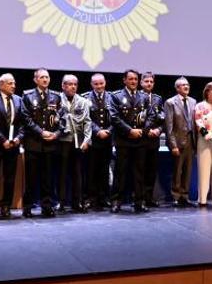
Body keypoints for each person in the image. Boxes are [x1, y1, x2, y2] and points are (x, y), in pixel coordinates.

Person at [109, 69, 151, 213]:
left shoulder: (144, 97)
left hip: (140, 140)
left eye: (135, 79)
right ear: (124, 80)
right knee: (120, 172)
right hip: (123, 141)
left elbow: (151, 116)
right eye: (131, 79)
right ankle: (116, 201)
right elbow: (114, 117)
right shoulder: (116, 96)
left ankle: (139, 201)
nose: (133, 81)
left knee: (139, 173)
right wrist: (129, 131)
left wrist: (142, 131)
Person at [0, 74, 26, 219]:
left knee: (10, 178)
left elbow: (22, 123)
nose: (13, 85)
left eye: (14, 83)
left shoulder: (19, 100)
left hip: (13, 145)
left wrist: (18, 138)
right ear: (0, 84)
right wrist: (3, 140)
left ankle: (6, 205)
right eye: (10, 83)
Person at [21, 68, 61, 218]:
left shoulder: (56, 97)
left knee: (48, 178)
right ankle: (28, 206)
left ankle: (47, 206)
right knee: (31, 178)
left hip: (50, 143)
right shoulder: (28, 96)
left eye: (47, 77)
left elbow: (62, 119)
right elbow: (26, 118)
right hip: (34, 143)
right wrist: (40, 132)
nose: (45, 80)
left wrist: (56, 134)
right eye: (42, 77)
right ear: (35, 79)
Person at [57, 75, 91, 213]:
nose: (72, 87)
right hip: (62, 141)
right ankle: (61, 202)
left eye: (75, 84)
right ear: (63, 86)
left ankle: (77, 202)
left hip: (78, 141)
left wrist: (87, 140)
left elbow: (87, 121)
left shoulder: (83, 101)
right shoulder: (57, 99)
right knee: (61, 173)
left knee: (77, 173)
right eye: (69, 84)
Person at [83, 73, 113, 211]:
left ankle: (104, 198)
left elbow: (116, 117)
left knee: (105, 170)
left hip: (107, 139)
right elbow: (86, 118)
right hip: (92, 140)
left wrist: (108, 130)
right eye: (96, 84)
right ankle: (90, 198)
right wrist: (97, 131)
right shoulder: (85, 98)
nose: (99, 86)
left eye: (101, 83)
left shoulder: (112, 97)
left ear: (105, 83)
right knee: (91, 170)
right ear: (91, 84)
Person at [164, 77, 196, 207]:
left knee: (188, 170)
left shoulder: (193, 101)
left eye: (187, 85)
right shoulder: (170, 102)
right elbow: (169, 126)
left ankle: (185, 195)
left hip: (190, 140)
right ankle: (176, 196)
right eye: (183, 85)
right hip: (177, 141)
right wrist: (173, 145)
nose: (186, 87)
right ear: (177, 88)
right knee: (177, 170)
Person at [139, 72, 166, 207]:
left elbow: (162, 119)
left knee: (151, 170)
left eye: (151, 81)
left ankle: (149, 198)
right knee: (140, 170)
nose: (149, 83)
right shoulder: (136, 97)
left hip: (154, 139)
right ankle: (139, 198)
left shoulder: (158, 98)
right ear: (141, 82)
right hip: (140, 139)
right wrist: (147, 130)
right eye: (146, 81)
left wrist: (158, 130)